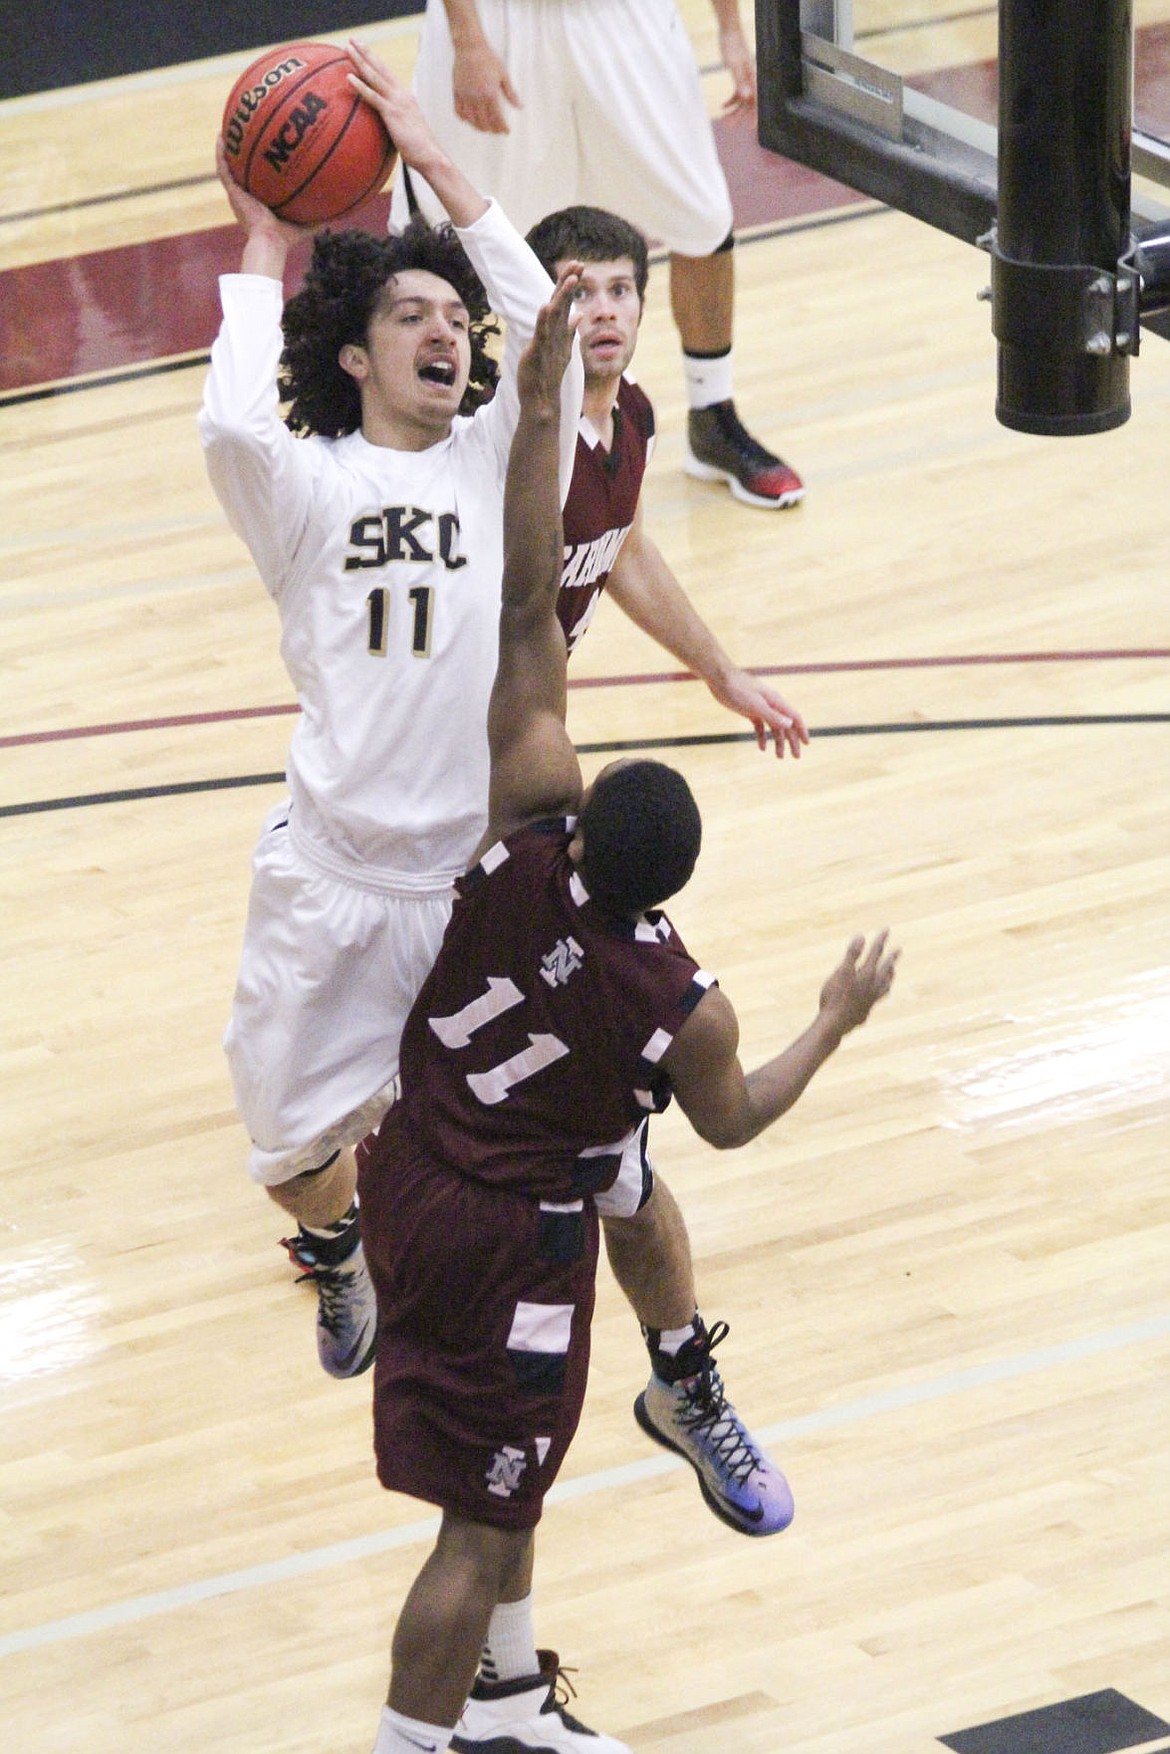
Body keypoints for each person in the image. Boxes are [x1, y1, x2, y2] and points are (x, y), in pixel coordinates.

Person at [357, 268, 897, 1754]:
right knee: (477, 1521)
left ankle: (517, 1697)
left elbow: (530, 600)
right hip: (503, 1233)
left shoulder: (526, 827)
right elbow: (735, 1114)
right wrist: (835, 1019)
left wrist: (529, 407)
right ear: (675, 888)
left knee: (506, 1479)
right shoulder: (670, 998)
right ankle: (423, 1740)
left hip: (408, 1169)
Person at [199, 40, 585, 1381]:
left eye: (448, 317)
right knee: (291, 1152)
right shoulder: (304, 488)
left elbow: (548, 336)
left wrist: (431, 157)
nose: (441, 331)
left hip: (470, 883)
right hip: (330, 878)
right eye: (409, 315)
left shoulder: (493, 461)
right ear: (355, 355)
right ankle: (330, 1244)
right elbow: (235, 428)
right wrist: (261, 242)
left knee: (533, 1132)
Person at [392, 0, 806, 509]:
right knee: (441, 239)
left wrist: (732, 31)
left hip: (625, 18)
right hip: (498, 20)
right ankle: (423, 448)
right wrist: (467, 38)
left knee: (702, 218)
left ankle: (712, 417)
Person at [525, 201, 808, 750]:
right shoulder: (522, 433)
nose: (604, 311)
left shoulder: (634, 415)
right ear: (545, 308)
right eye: (580, 292)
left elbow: (625, 554)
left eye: (620, 291)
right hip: (458, 703)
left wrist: (722, 675)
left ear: (641, 307)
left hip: (532, 706)